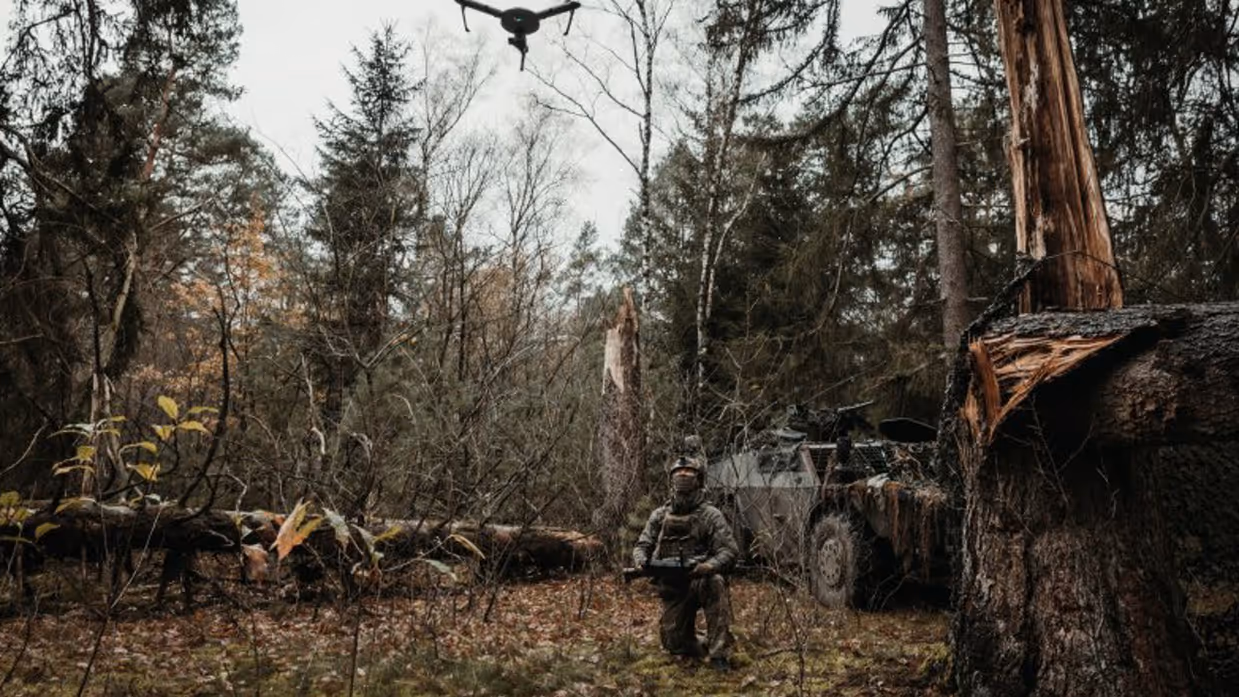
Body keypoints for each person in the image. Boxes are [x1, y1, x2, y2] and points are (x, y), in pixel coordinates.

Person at [632, 453, 739, 670]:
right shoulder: (660, 515)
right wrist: (641, 561)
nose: (683, 476)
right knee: (674, 643)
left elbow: (729, 551)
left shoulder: (711, 515)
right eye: (678, 473)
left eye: (688, 472)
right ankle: (696, 638)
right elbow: (642, 545)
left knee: (714, 582)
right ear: (671, 479)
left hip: (700, 580)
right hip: (673, 587)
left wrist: (708, 567)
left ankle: (719, 653)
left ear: (698, 479)